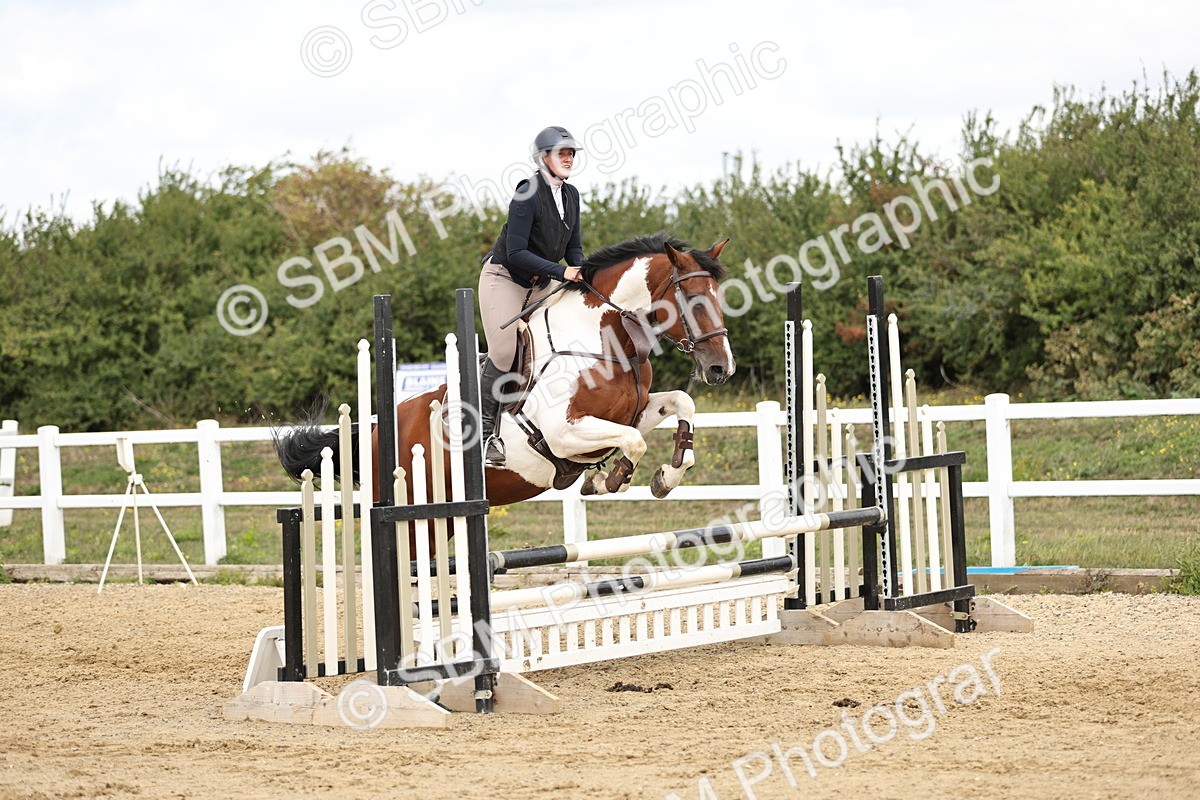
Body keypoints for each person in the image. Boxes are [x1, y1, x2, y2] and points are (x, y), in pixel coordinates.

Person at [477, 125, 585, 467]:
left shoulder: (572, 195)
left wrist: (585, 273)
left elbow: (574, 247)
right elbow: (516, 252)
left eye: (570, 153)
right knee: (505, 350)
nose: (567, 158)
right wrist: (563, 272)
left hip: (542, 281)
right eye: (561, 153)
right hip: (506, 278)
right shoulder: (527, 193)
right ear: (543, 159)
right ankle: (482, 434)